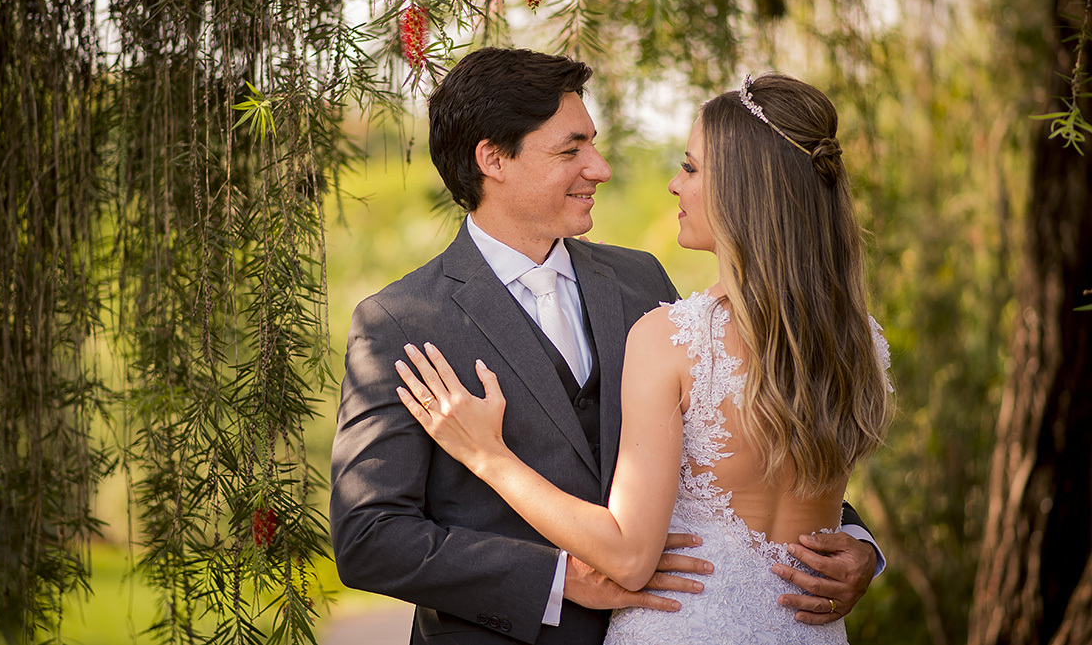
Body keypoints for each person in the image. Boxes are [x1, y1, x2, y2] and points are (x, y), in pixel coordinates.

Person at [330, 51, 881, 644]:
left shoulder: (642, 284)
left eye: (593, 143)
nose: (601, 167)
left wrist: (857, 545)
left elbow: (738, 449)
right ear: (492, 159)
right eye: (571, 150)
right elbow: (370, 539)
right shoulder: (402, 320)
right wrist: (555, 578)